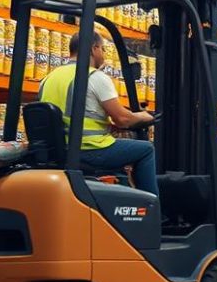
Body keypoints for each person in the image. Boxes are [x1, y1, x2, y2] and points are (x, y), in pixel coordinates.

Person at [39, 32, 159, 197]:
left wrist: (108, 126)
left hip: (59, 151)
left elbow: (69, 115)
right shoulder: (94, 77)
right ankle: (152, 209)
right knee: (146, 149)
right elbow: (124, 119)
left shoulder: (48, 78)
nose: (103, 54)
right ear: (93, 49)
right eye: (102, 49)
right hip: (90, 149)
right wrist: (146, 117)